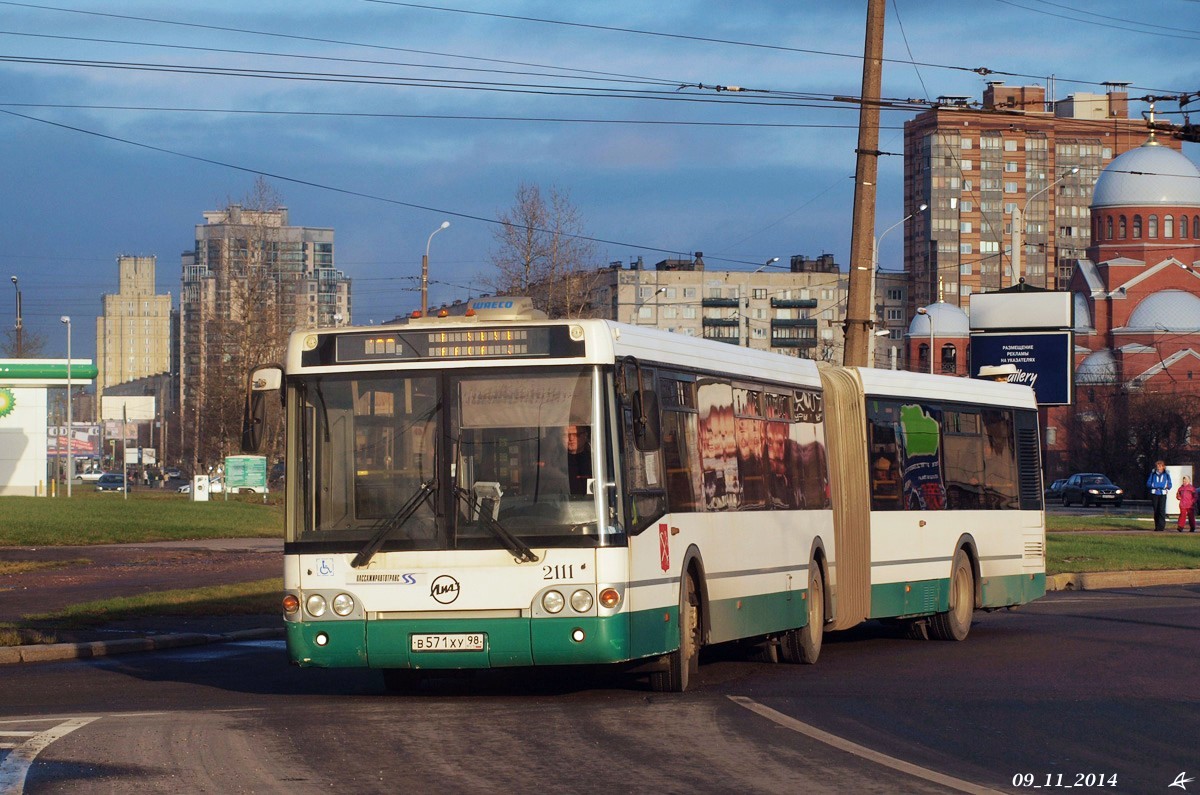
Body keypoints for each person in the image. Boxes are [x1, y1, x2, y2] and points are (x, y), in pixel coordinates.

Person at [564, 425, 592, 497]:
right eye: (566, 435)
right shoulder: (553, 460)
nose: (571, 438)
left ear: (585, 435)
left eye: (576, 434)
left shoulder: (596, 460)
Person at [1147, 460, 1172, 532]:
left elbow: (1169, 485)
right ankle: (1157, 526)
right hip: (1154, 493)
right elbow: (1149, 484)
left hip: (1163, 494)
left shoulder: (1166, 474)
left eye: (1160, 466)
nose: (1159, 468)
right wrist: (1160, 486)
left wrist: (1159, 486)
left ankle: (1161, 526)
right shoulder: (1153, 474)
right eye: (1157, 466)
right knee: (1156, 510)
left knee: (1161, 509)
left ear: (1163, 467)